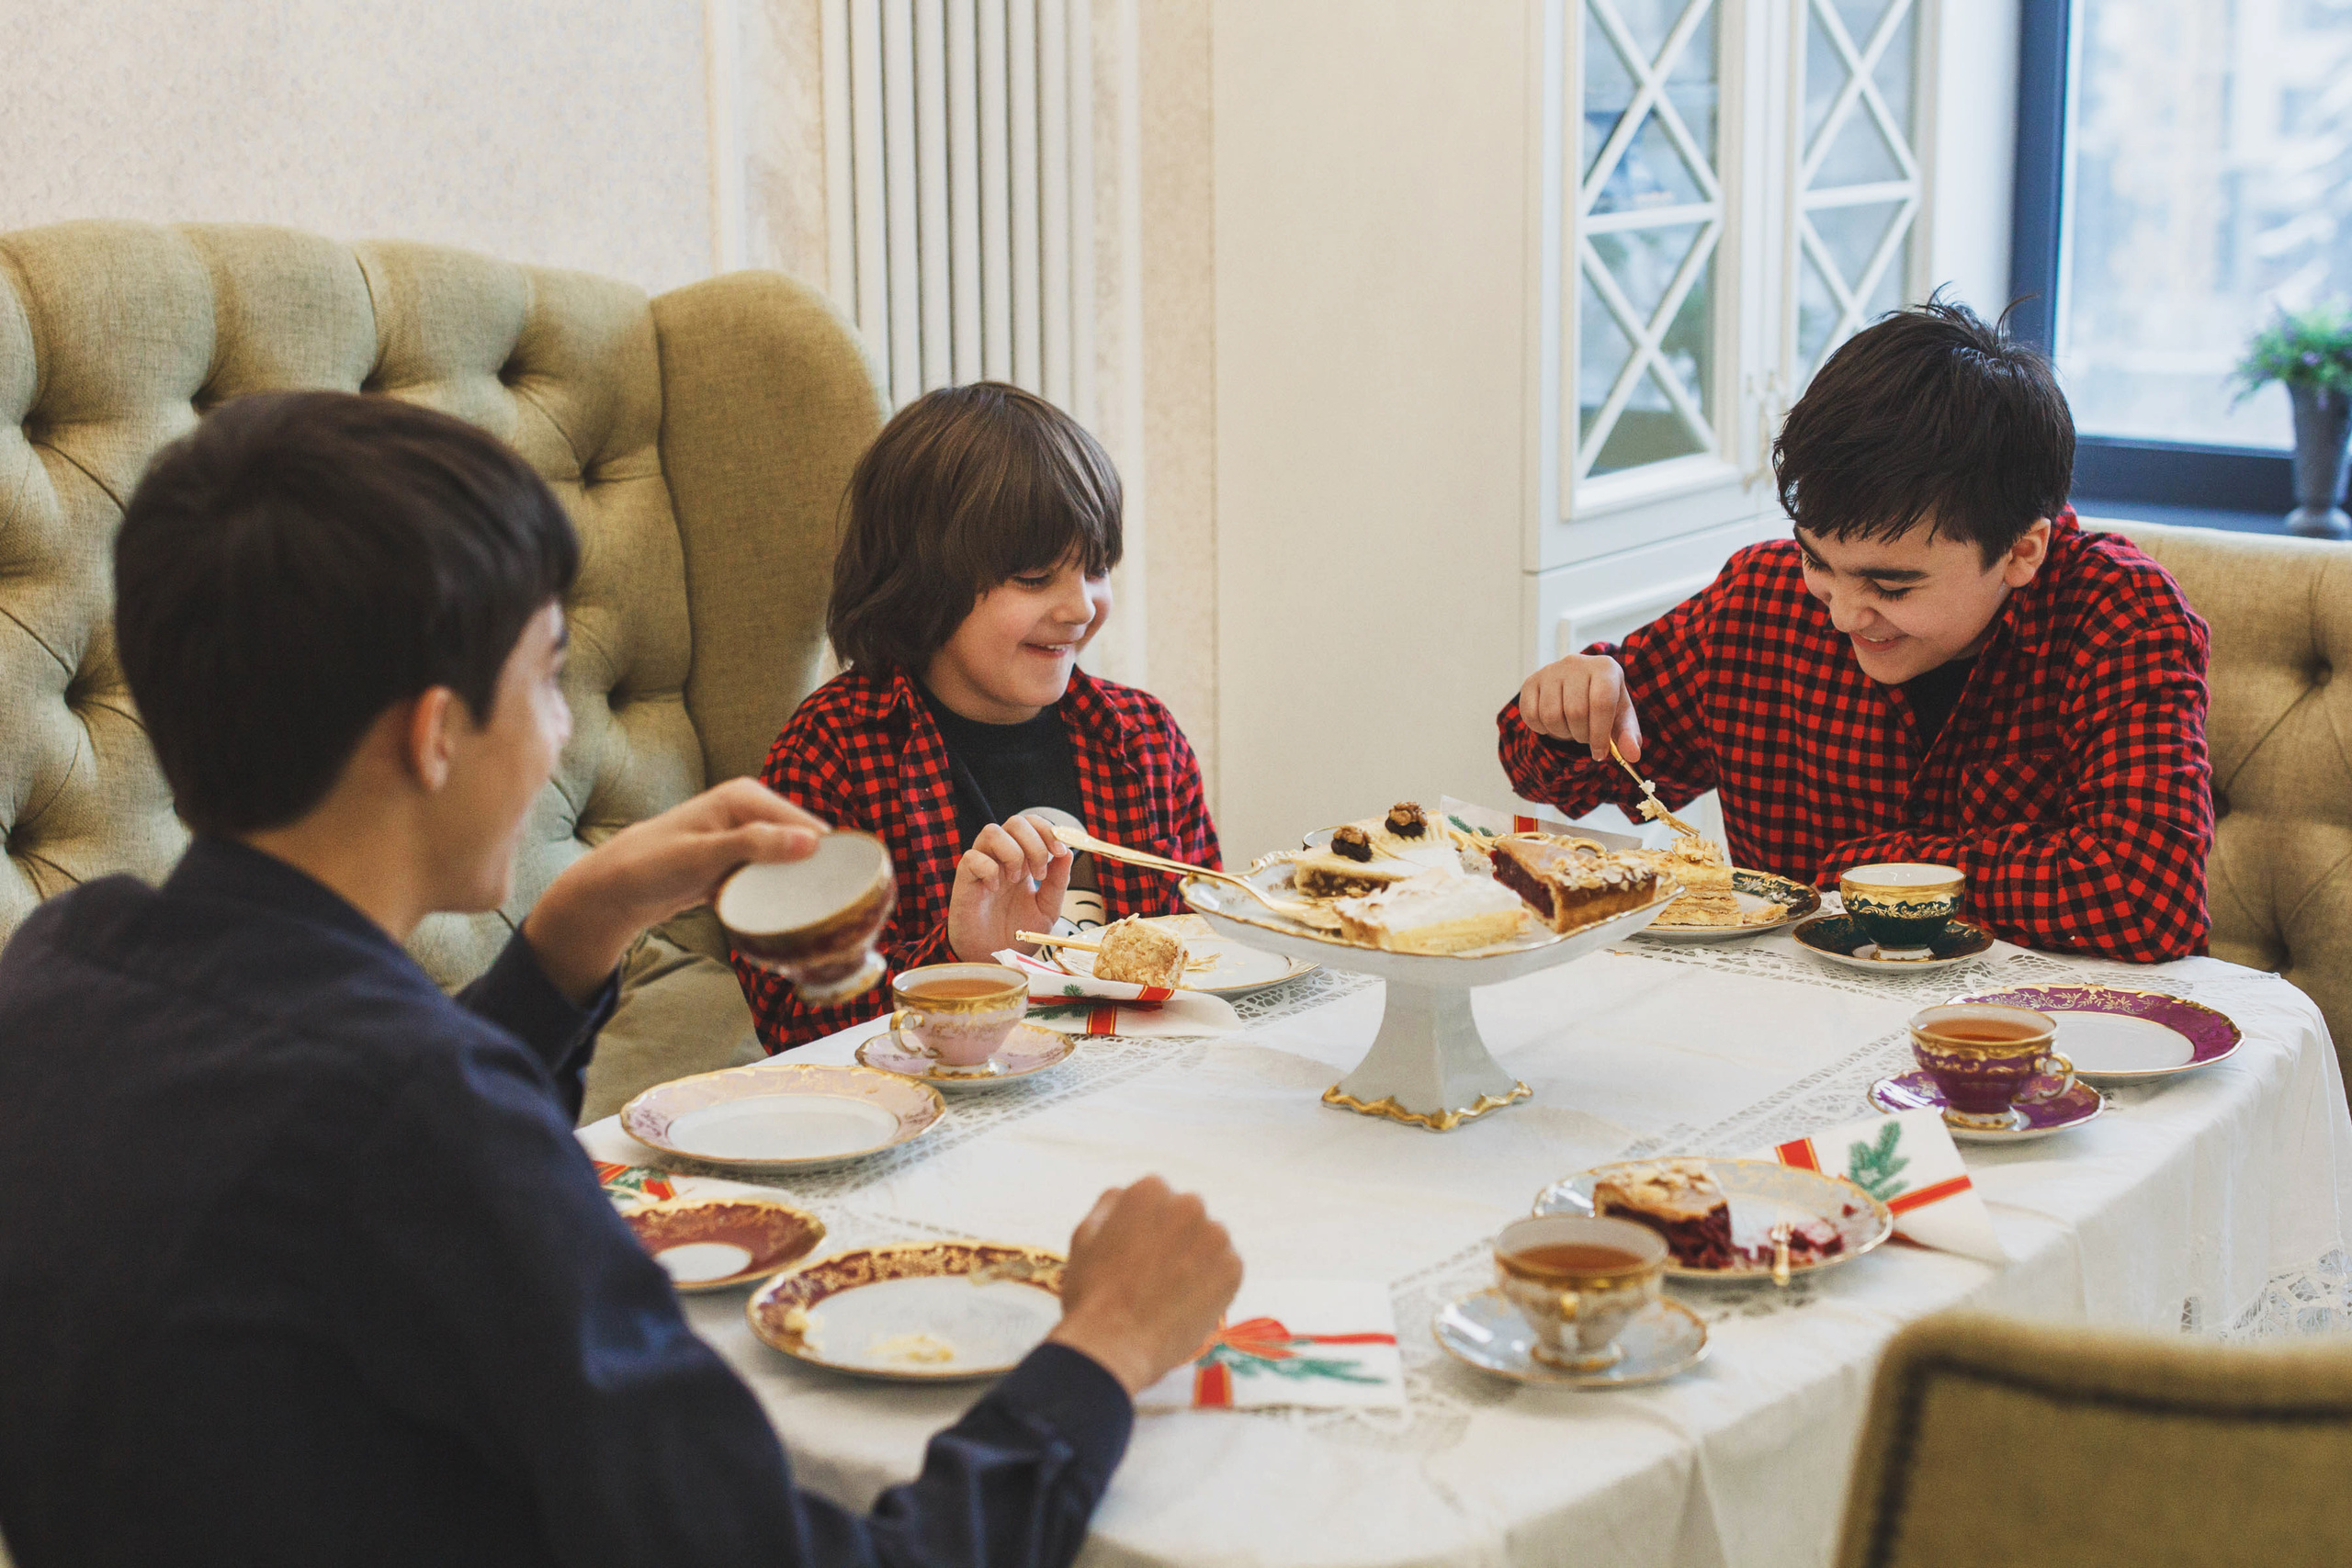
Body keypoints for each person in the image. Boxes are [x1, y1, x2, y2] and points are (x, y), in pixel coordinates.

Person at [0, 391, 1243, 1567]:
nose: (561, 731)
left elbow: (393, 1155)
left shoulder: (59, 970)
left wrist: (571, 932)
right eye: (548, 675)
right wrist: (1101, 1349)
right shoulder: (426, 1116)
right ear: (435, 735)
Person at [1500, 297, 2213, 962]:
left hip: (2036, 1034)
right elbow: (1542, 767)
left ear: (2022, 551)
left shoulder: (2118, 613)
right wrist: (1567, 708)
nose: (1842, 613)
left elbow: (2151, 896)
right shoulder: (1765, 600)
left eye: (1890, 586)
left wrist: (1875, 871)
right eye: (1819, 561)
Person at [738, 382, 1219, 1053]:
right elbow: (793, 1024)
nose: (1082, 607)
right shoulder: (831, 754)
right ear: (922, 580)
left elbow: (1208, 959)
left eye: (1096, 568)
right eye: (1034, 578)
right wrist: (960, 959)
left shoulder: (1144, 740)